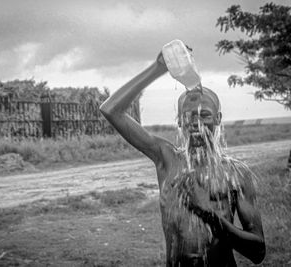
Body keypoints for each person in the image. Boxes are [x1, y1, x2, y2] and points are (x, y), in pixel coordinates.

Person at [100, 51, 265, 266]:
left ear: (218, 119)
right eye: (189, 116)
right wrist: (157, 69)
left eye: (204, 114)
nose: (196, 123)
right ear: (179, 121)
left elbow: (258, 251)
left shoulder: (235, 173)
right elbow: (111, 110)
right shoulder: (166, 158)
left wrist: (209, 214)